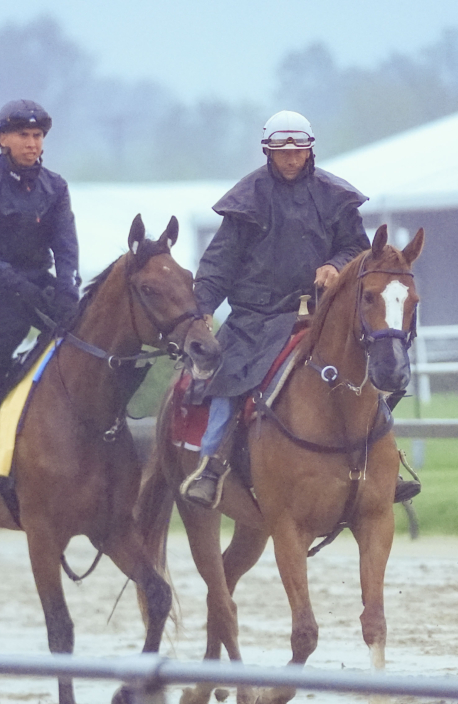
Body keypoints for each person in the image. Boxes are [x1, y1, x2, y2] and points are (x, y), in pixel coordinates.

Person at [180, 110, 420, 508]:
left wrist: (335, 265)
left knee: (362, 368)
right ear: (267, 152)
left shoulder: (335, 196)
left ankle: (387, 462)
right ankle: (211, 464)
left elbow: (360, 250)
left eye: (299, 151)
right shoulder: (246, 200)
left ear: (310, 151)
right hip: (255, 318)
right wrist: (203, 308)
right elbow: (218, 265)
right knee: (229, 377)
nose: (291, 159)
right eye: (282, 152)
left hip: (320, 313)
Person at [0, 99, 80, 433]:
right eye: (23, 134)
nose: (32, 143)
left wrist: (68, 285)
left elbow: (66, 244)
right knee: (13, 328)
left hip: (37, 278)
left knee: (80, 325)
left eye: (38, 135)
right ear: (2, 140)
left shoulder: (56, 187)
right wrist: (13, 282)